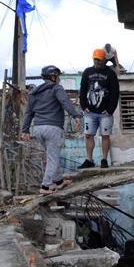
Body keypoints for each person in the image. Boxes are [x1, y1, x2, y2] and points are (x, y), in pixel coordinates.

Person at [21, 66, 82, 195]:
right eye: (58, 76)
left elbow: (28, 113)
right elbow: (65, 102)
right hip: (53, 128)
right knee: (53, 158)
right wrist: (76, 115)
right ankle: (46, 186)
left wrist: (25, 130)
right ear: (53, 77)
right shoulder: (56, 88)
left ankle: (59, 181)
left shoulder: (34, 93)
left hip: (38, 129)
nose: (59, 79)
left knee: (51, 155)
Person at [79, 48, 120, 169]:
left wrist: (110, 109)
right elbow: (83, 90)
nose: (97, 62)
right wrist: (83, 106)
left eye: (99, 60)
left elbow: (115, 92)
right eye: (95, 59)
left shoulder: (110, 73)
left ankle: (104, 160)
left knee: (105, 135)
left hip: (105, 113)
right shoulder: (87, 72)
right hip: (90, 112)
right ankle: (89, 160)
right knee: (88, 135)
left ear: (104, 60)